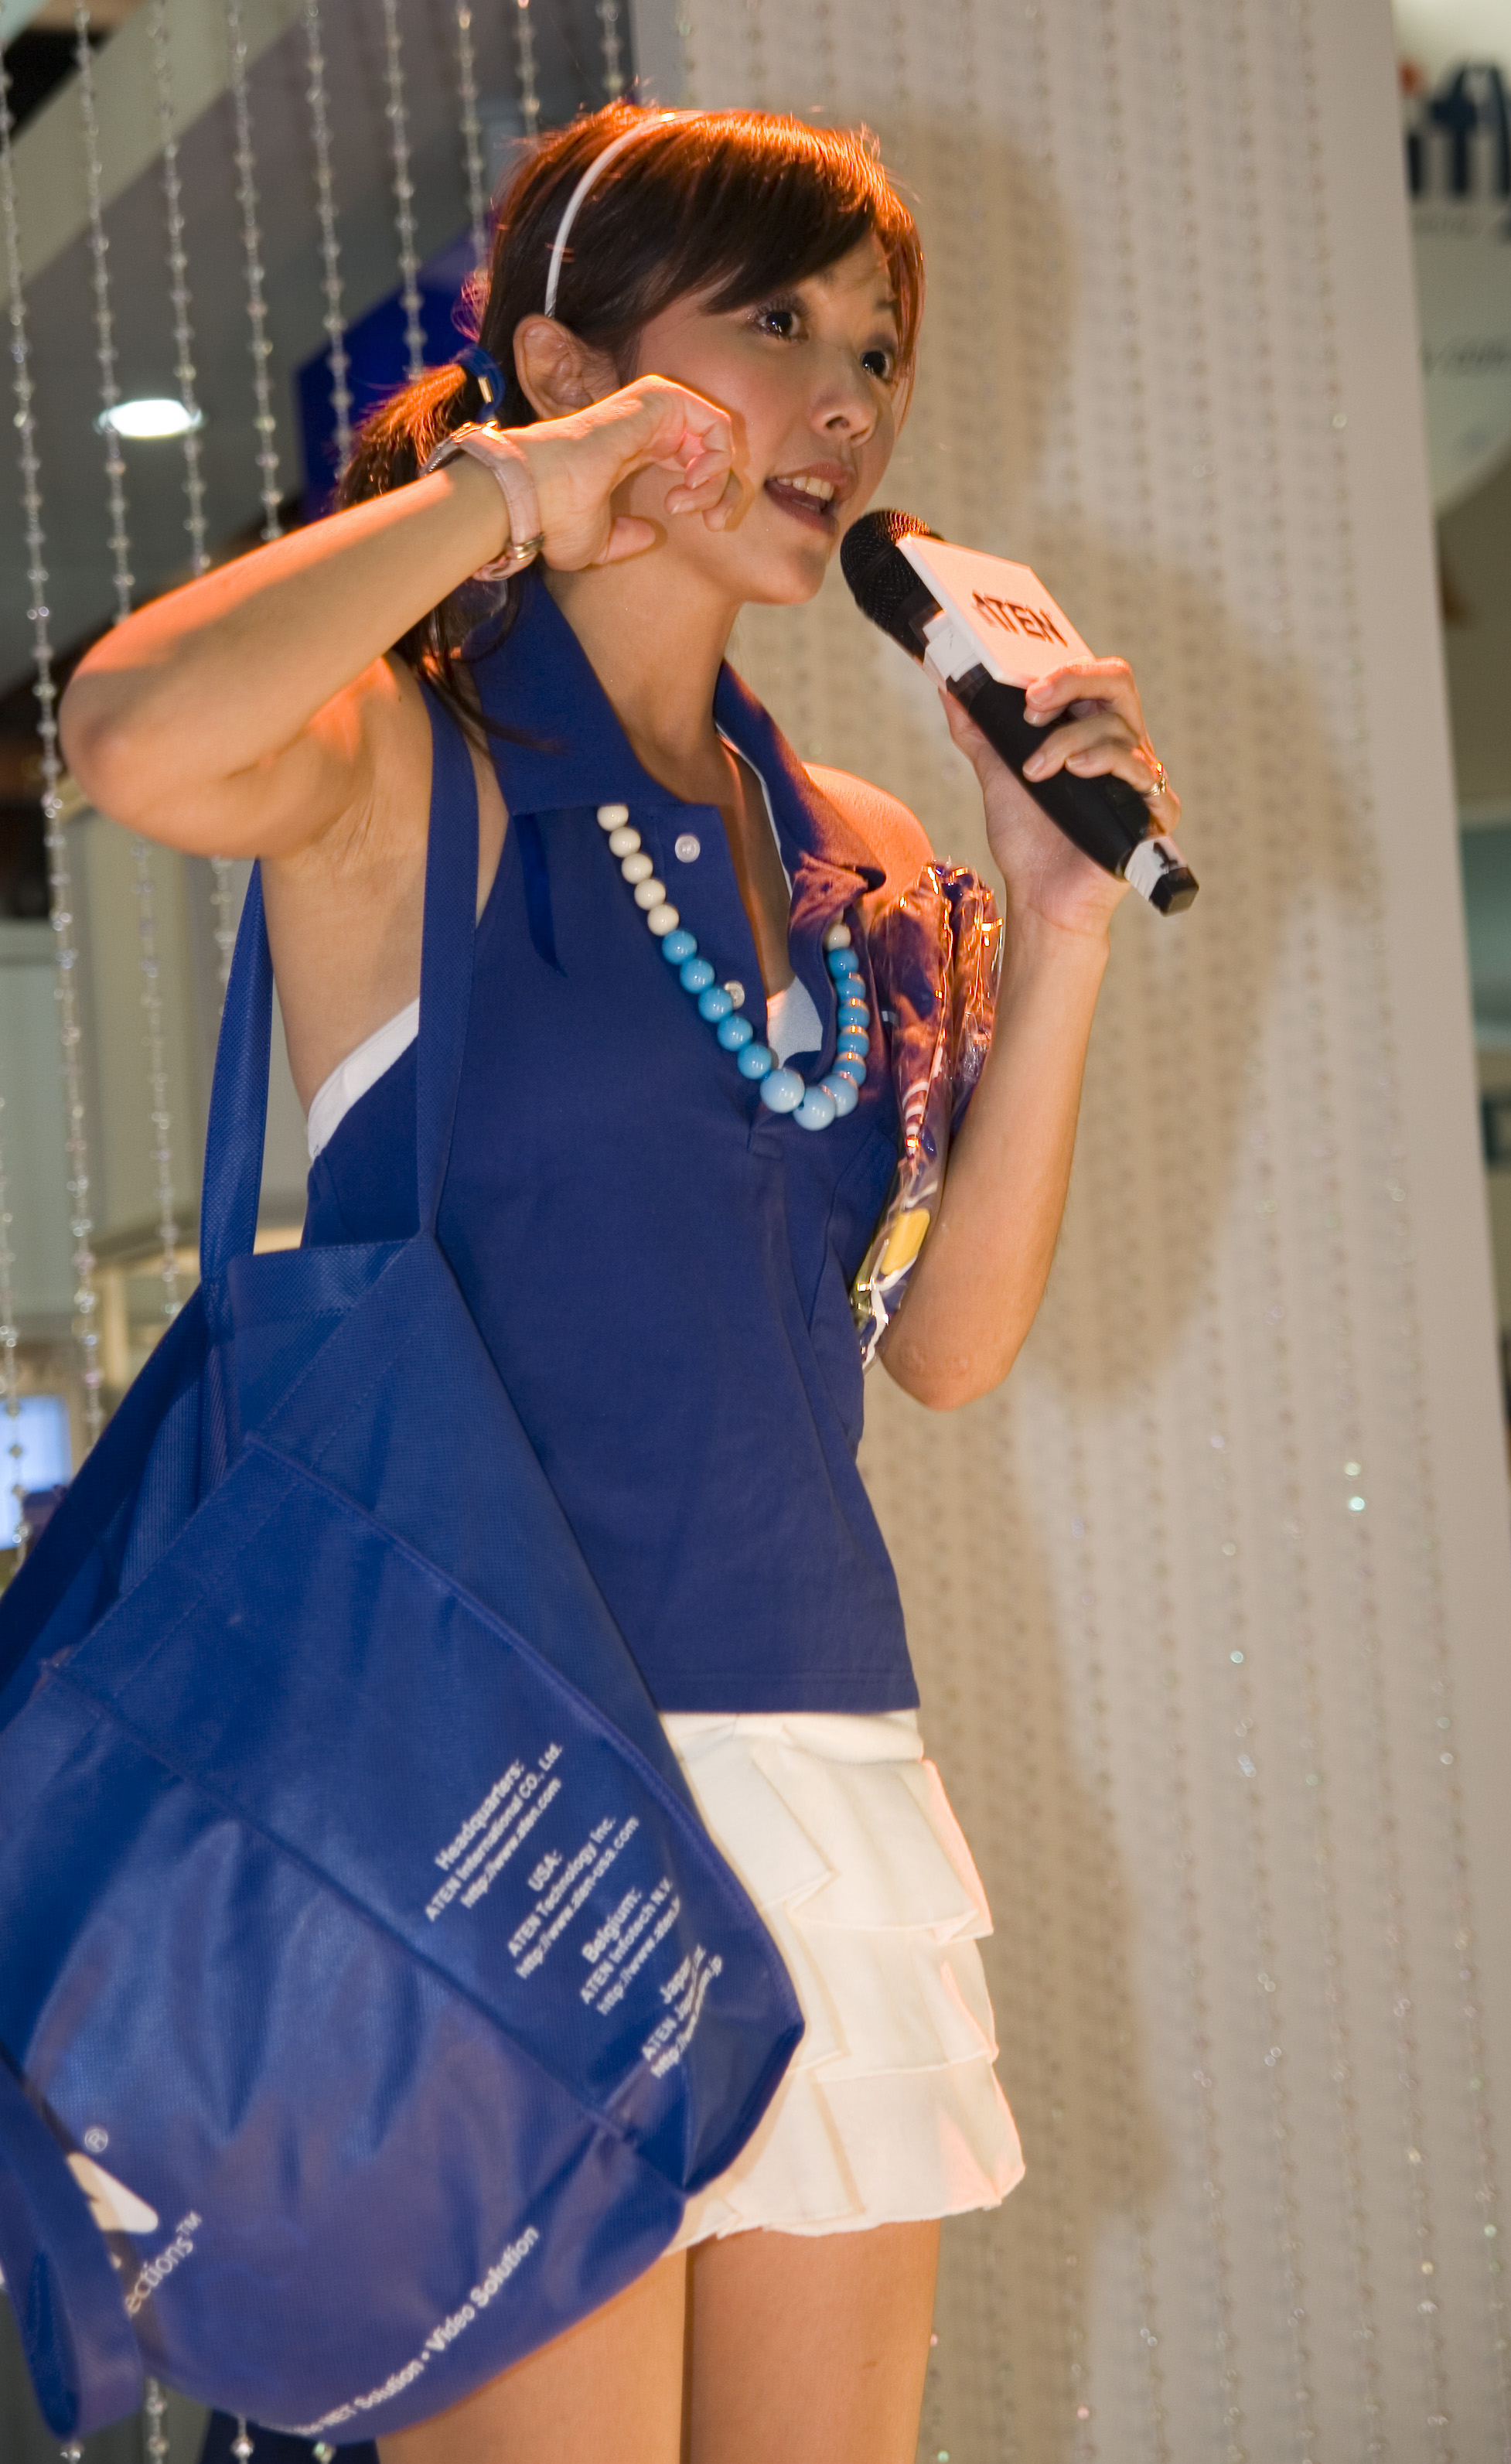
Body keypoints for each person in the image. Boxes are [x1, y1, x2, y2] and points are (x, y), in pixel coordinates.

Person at [60, 101, 1180, 2464]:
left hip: (816, 1767)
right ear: (570, 361)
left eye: (875, 346)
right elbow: (133, 731)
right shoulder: (405, 762)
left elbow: (948, 1346)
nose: (842, 402)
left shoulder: (856, 847)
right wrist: (510, 494)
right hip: (484, 1786)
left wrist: (1058, 920)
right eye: (772, 323)